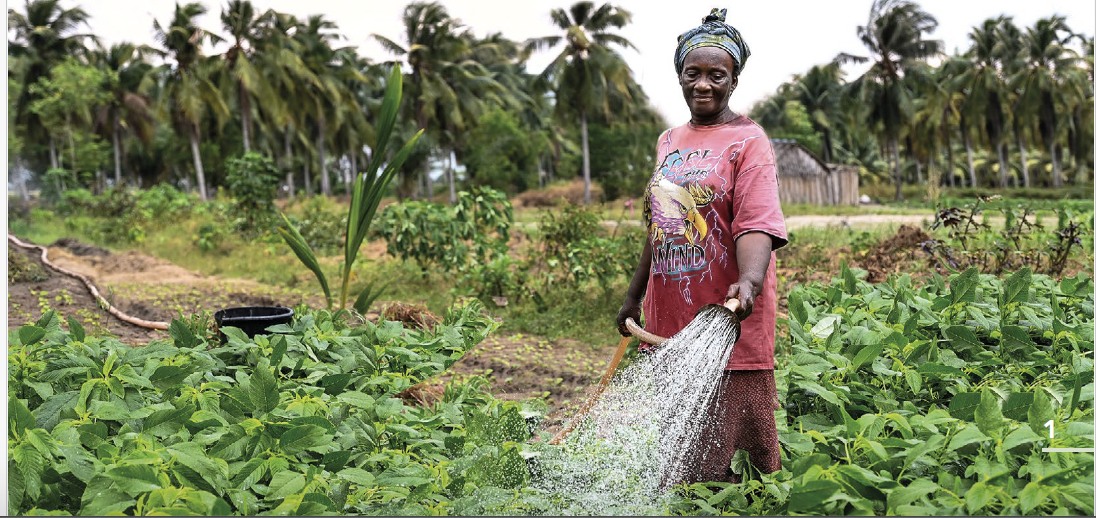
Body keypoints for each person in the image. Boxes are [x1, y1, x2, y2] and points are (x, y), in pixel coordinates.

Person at [616, 7, 788, 484]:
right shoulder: (668, 140)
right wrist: (633, 295)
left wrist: (749, 281)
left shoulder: (749, 141)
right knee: (679, 451)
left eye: (717, 75)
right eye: (693, 73)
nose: (703, 85)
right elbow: (660, 224)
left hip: (726, 314)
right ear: (679, 75)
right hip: (670, 313)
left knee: (731, 463)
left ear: (734, 80)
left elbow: (756, 222)